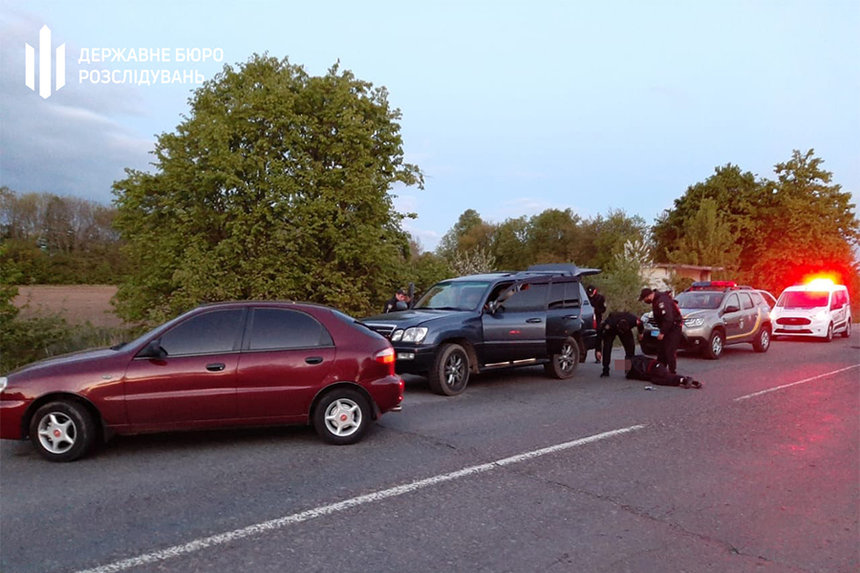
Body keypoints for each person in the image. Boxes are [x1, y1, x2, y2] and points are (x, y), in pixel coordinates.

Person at [638, 287, 683, 374]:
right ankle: (661, 370)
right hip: (666, 327)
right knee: (661, 349)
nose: (645, 301)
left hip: (673, 327)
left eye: (645, 299)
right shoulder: (657, 299)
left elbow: (668, 319)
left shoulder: (661, 301)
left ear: (649, 296)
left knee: (670, 350)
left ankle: (672, 372)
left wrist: (662, 333)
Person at [595, 311, 642, 378]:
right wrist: (598, 350)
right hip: (611, 331)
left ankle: (628, 370)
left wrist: (640, 333)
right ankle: (605, 370)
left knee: (630, 348)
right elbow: (599, 334)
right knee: (607, 348)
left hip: (626, 331)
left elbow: (640, 323)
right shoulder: (609, 323)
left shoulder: (632, 319)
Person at [625, 354, 702, 389]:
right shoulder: (632, 367)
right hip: (652, 372)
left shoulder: (634, 363)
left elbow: (631, 373)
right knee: (659, 380)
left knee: (665, 376)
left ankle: (685, 380)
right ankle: (685, 381)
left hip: (654, 367)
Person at [585, 285, 606, 363]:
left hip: (597, 320)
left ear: (595, 291)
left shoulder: (600, 298)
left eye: (591, 293)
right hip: (587, 319)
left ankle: (598, 355)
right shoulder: (586, 297)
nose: (590, 294)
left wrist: (595, 310)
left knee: (598, 337)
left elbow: (603, 309)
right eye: (589, 293)